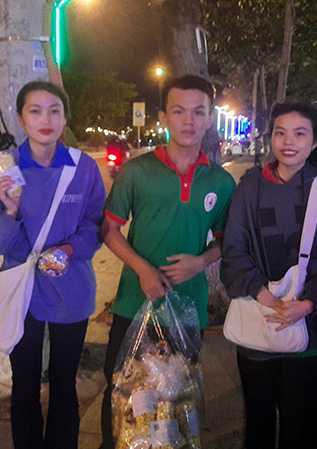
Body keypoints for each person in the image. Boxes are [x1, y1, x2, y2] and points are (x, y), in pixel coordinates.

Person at [99, 74, 236, 448]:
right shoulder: (136, 172)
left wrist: (199, 263)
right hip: (134, 304)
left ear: (210, 118)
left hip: (187, 308)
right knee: (123, 397)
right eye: (178, 111)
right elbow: (108, 230)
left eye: (198, 112)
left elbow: (226, 241)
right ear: (163, 117)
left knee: (177, 401)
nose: (188, 120)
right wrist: (143, 269)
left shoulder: (220, 182)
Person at [221, 102, 317, 449]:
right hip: (259, 324)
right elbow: (234, 249)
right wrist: (264, 295)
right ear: (270, 137)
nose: (288, 141)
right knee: (257, 419)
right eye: (280, 132)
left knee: (301, 423)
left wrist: (309, 302)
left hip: (312, 332)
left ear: (315, 142)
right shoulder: (249, 188)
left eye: (300, 133)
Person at [0, 81, 106, 449]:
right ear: (21, 118)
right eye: (35, 110)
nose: (45, 119)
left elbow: (95, 226)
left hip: (71, 289)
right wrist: (10, 210)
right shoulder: (3, 170)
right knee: (25, 385)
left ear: (65, 119)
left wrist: (67, 249)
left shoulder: (83, 168)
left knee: (65, 384)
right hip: (22, 292)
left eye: (54, 110)